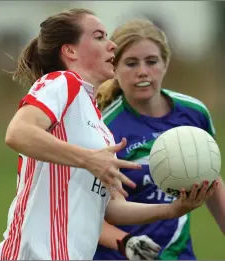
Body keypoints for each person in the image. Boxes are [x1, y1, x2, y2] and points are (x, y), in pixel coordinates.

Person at [0, 10, 218, 261]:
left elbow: (110, 208)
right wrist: (89, 159)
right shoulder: (62, 82)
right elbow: (18, 132)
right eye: (99, 37)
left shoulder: (98, 122)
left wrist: (172, 209)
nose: (111, 45)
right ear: (70, 51)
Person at [94, 18, 225, 260]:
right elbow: (95, 213)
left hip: (178, 254)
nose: (142, 71)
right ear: (114, 68)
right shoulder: (103, 127)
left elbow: (210, 177)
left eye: (152, 61)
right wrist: (127, 243)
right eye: (131, 63)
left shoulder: (193, 113)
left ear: (165, 64)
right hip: (122, 254)